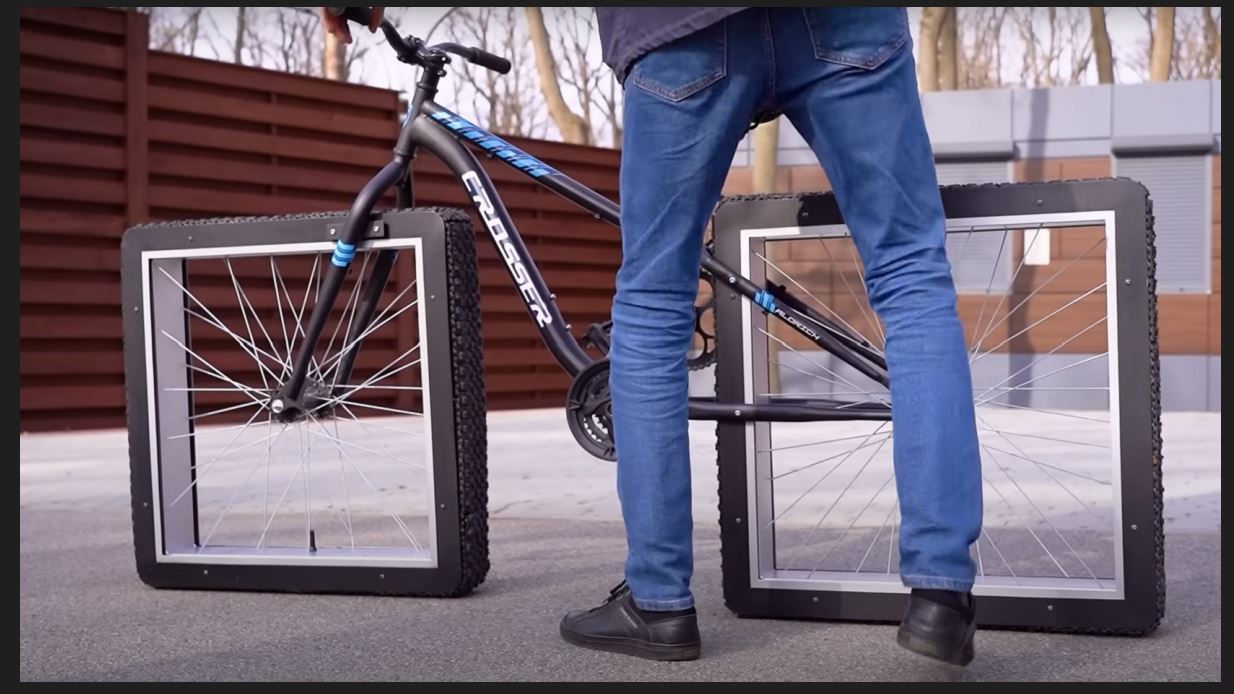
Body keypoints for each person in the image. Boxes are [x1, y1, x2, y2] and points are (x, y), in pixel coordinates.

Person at [326, 7, 983, 667]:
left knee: (654, 301)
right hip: (848, 22)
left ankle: (660, 600)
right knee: (910, 278)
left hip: (681, 26)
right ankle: (939, 597)